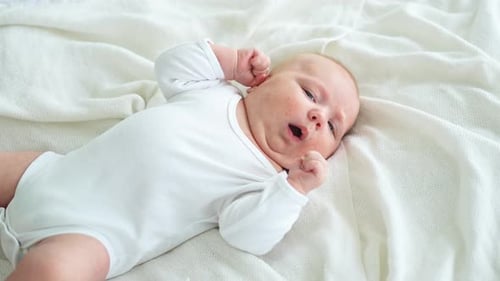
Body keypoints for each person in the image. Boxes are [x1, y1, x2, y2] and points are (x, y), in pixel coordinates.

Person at [0, 39, 360, 280]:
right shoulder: (217, 93)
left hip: (93, 236)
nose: (317, 115)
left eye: (332, 125)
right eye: (310, 93)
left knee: (52, 273)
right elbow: (171, 67)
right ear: (262, 83)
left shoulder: (265, 181)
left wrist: (293, 189)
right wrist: (230, 62)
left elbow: (248, 236)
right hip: (50, 174)